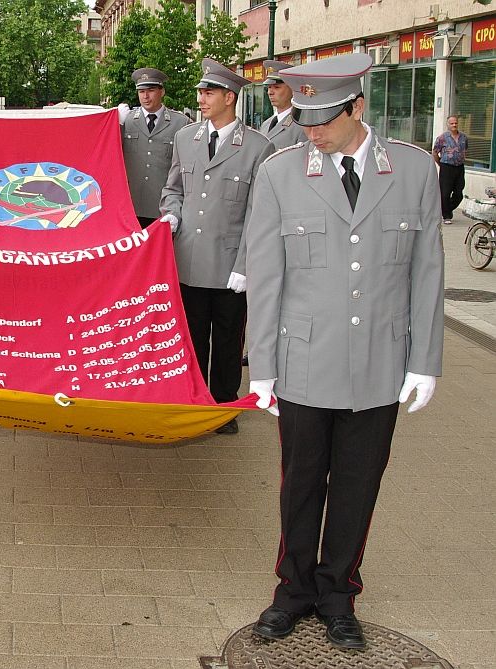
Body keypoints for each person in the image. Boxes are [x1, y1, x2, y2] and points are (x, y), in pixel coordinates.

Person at [245, 53, 444, 650]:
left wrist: (424, 360)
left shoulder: (413, 171)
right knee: (300, 481)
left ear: (357, 108)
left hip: (380, 362)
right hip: (304, 362)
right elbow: (267, 275)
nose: (310, 131)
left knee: (358, 484)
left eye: (323, 119)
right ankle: (293, 591)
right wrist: (262, 367)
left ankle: (338, 594)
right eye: (303, 117)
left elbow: (427, 273)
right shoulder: (280, 174)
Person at [159, 58, 273, 434]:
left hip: (229, 266)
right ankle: (193, 400)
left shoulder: (258, 147)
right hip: (189, 259)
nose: (201, 98)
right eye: (200, 92)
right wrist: (171, 214)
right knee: (191, 338)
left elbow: (260, 212)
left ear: (230, 97)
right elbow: (173, 188)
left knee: (227, 339)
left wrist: (246, 264)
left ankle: (223, 407)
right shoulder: (185, 138)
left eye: (208, 93)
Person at [118, 68, 190, 229]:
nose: (145, 96)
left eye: (150, 90)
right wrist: (116, 125)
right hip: (130, 206)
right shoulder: (126, 120)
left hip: (163, 207)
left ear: (162, 91)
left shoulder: (181, 123)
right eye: (141, 91)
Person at [259, 60, 304, 151]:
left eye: (276, 87)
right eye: (269, 87)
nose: (270, 92)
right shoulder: (265, 124)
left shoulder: (301, 125)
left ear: (292, 89)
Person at [432, 115, 468, 224]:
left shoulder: (464, 137)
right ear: (448, 124)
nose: (454, 125)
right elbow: (434, 152)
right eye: (452, 123)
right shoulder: (442, 138)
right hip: (446, 167)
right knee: (445, 193)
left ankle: (446, 209)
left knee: (459, 193)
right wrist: (441, 164)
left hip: (459, 167)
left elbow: (464, 149)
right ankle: (446, 216)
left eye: (456, 123)